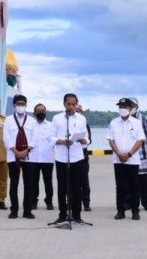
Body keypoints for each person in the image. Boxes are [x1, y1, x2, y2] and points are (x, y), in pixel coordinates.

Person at [51, 93, 89, 224]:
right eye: (69, 104)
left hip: (77, 157)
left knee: (76, 188)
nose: (71, 106)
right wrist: (62, 141)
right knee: (62, 188)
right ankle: (62, 214)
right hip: (62, 157)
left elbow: (87, 138)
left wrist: (84, 140)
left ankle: (77, 215)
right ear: (64, 104)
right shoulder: (57, 118)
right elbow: (51, 138)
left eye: (74, 104)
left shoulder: (81, 118)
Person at [107, 97, 146, 220]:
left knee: (134, 186)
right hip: (118, 160)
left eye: (125, 107)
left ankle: (135, 211)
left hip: (132, 160)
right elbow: (111, 140)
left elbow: (140, 140)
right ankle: (120, 211)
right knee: (120, 187)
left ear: (130, 108)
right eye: (121, 107)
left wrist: (129, 154)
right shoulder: (113, 123)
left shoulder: (137, 123)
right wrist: (119, 154)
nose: (123, 109)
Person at [2, 94, 34, 219]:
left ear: (26, 105)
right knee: (14, 183)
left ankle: (27, 210)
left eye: (23, 104)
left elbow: (34, 138)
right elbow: (6, 138)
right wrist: (16, 151)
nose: (21, 106)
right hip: (12, 156)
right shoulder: (8, 120)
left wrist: (26, 150)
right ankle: (14, 210)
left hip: (29, 156)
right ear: (14, 105)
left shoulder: (31, 120)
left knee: (28, 184)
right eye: (18, 104)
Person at [28, 103, 55, 211]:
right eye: (38, 110)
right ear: (35, 112)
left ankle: (49, 201)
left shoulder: (50, 125)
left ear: (45, 112)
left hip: (47, 158)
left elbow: (54, 139)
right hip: (33, 158)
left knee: (48, 181)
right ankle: (34, 201)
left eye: (43, 110)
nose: (41, 112)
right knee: (34, 182)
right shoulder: (30, 125)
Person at [129, 98, 147, 211]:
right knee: (129, 181)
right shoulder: (123, 119)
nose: (130, 108)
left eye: (132, 106)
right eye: (128, 105)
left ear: (137, 107)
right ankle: (128, 203)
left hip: (141, 154)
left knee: (144, 181)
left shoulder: (143, 118)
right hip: (128, 155)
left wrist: (143, 147)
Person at [75, 103, 92, 211]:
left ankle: (86, 203)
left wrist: (84, 141)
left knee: (84, 181)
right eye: (75, 110)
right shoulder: (67, 123)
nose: (77, 112)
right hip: (71, 156)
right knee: (71, 181)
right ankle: (72, 202)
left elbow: (89, 140)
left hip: (83, 156)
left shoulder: (85, 124)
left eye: (79, 111)